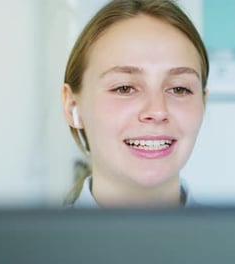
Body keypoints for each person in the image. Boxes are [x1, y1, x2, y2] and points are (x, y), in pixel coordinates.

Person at [61, 0, 209, 208]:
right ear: (72, 105)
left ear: (203, 103)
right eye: (124, 88)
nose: (157, 111)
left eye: (179, 89)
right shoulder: (31, 241)